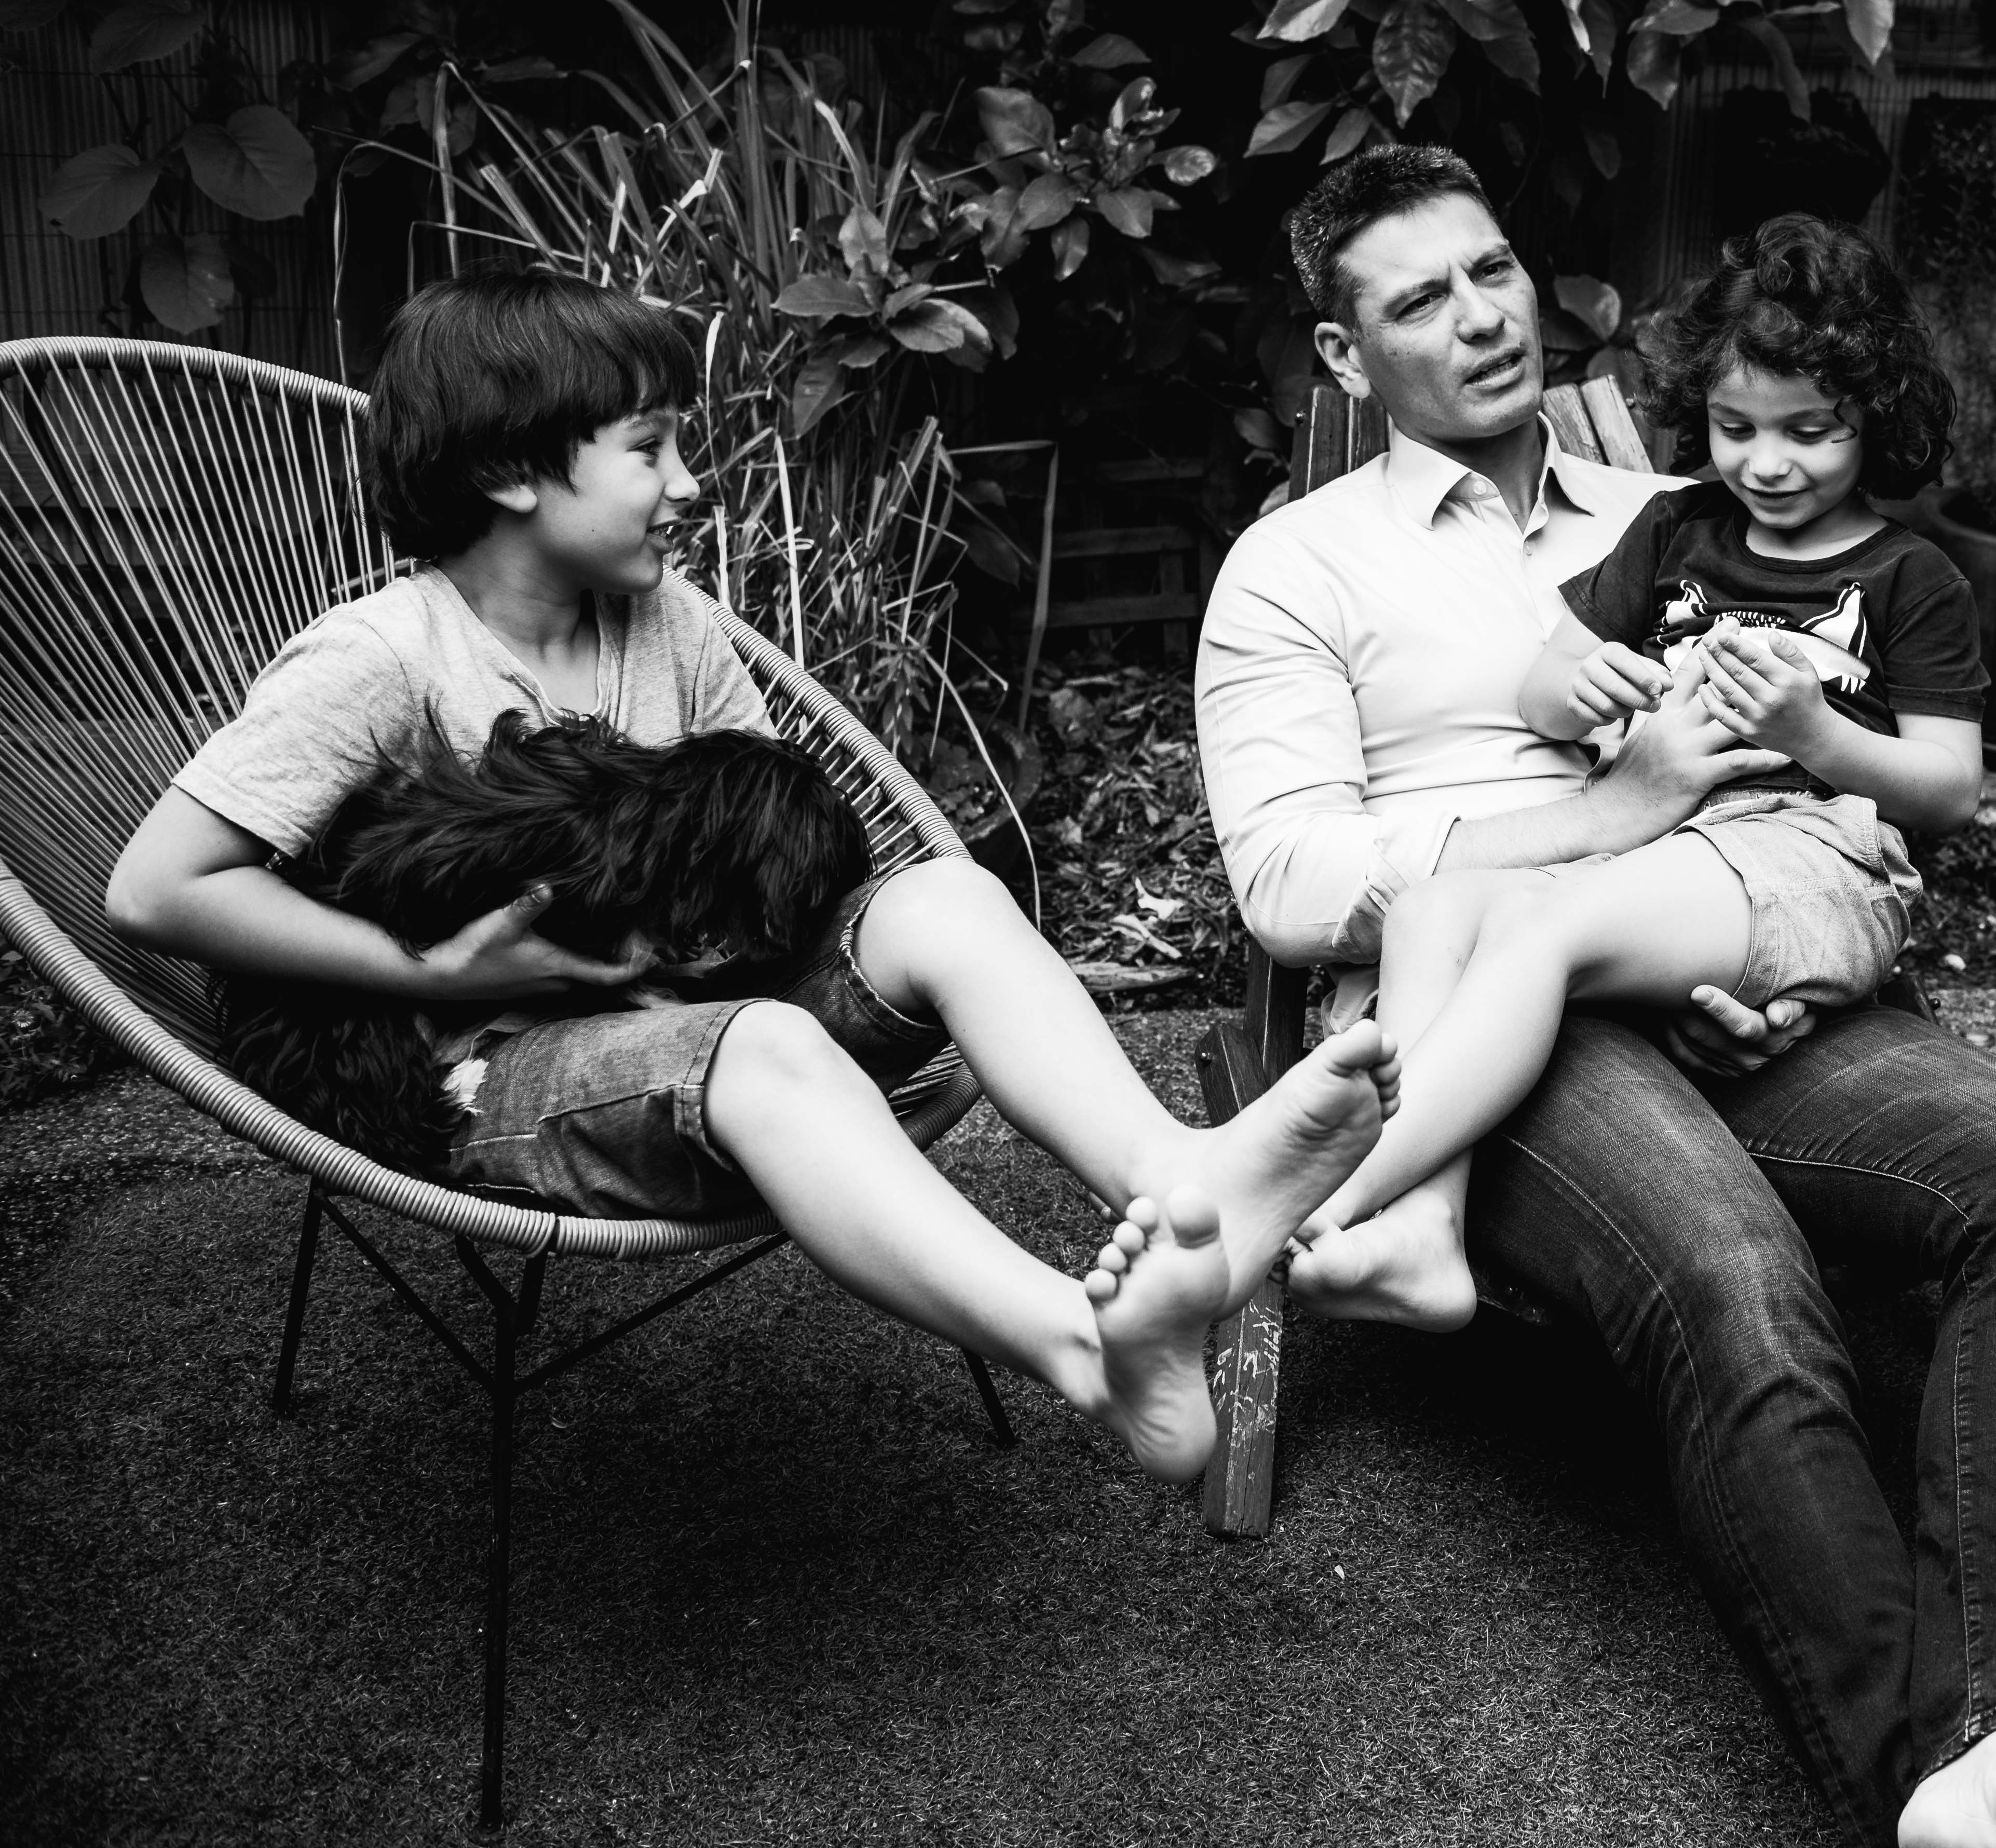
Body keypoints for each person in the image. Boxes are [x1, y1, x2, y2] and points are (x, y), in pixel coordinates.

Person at [1197, 146, 1996, 1848]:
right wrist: (1602, 827)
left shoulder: (1685, 509)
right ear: (1335, 358)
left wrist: (1724, 928)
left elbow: (1873, 799)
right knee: (1734, 1273)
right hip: (1470, 1009)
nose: (1477, 319)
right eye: (1415, 300)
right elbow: (1292, 886)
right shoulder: (1295, 570)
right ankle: (1945, 1773)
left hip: (1724, 961)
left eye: (1491, 269)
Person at [104, 265, 1400, 1486]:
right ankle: (1086, 1349)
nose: (688, 484)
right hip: (487, 1070)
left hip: (684, 1008)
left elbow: (793, 854)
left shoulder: (663, 620)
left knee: (945, 898)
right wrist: (437, 968)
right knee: (770, 1045)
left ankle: (1183, 1185)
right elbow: (158, 892)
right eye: (649, 449)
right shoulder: (381, 656)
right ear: (510, 472)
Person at [1279, 213, 1987, 1333]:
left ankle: (1353, 1190)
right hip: (1656, 852)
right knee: (1431, 910)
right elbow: (1543, 682)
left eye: (1810, 431)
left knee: (1534, 934)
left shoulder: (1910, 577)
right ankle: (1423, 1230)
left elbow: (1950, 793)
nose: (1765, 461)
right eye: (1733, 426)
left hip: (1811, 848)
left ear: (1876, 420)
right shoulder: (1674, 530)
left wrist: (1815, 731)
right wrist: (1590, 685)